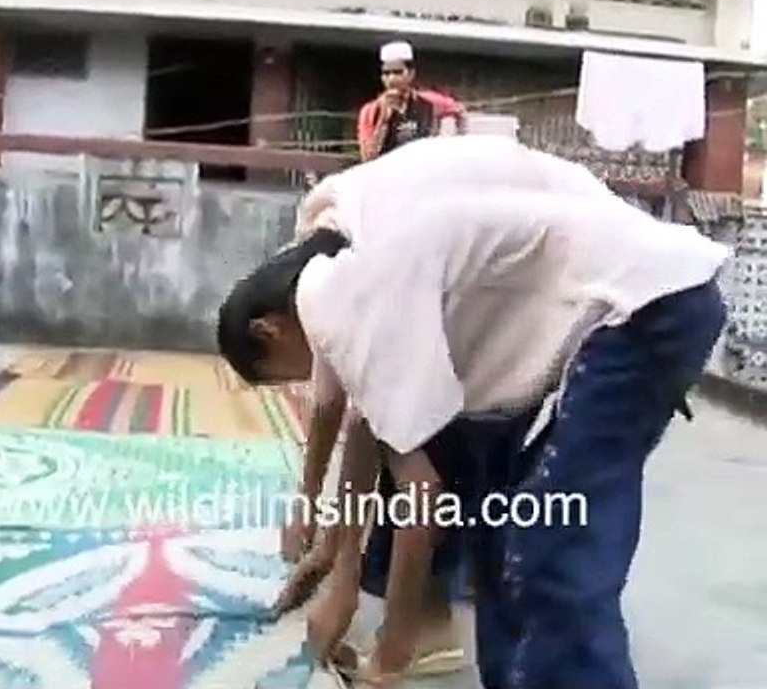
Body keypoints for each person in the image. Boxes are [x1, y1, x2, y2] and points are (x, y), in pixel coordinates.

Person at [216, 135, 729, 689]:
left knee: (550, 542)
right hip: (625, 296)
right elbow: (369, 421)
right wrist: (331, 555)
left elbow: (418, 493)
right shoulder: (336, 271)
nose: (308, 379)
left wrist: (390, 652)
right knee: (506, 532)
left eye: (287, 373)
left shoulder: (348, 288)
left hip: (644, 301)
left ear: (268, 329)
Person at [357, 41, 466, 162]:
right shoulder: (371, 110)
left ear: (411, 74)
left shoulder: (429, 101)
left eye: (398, 72)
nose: (391, 79)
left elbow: (459, 111)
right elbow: (368, 158)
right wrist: (384, 119)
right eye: (386, 73)